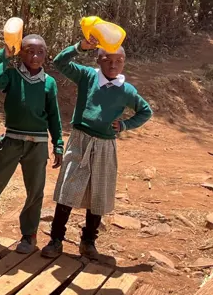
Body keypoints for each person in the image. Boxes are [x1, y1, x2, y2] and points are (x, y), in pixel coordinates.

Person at [42, 37, 152, 261]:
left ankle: (88, 242)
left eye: (119, 60)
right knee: (68, 189)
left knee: (99, 193)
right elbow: (60, 63)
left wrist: (124, 125)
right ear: (98, 60)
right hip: (80, 140)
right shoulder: (87, 76)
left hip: (105, 145)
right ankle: (56, 239)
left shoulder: (126, 90)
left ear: (124, 62)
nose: (113, 65)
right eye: (108, 60)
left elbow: (145, 111)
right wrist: (80, 47)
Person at [0, 35, 63, 254]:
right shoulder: (11, 75)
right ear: (20, 52)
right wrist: (5, 54)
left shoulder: (49, 82)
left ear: (45, 55)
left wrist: (58, 143)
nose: (35, 56)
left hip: (38, 144)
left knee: (35, 191)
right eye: (29, 51)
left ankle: (28, 235)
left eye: (40, 52)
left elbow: (54, 115)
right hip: (12, 139)